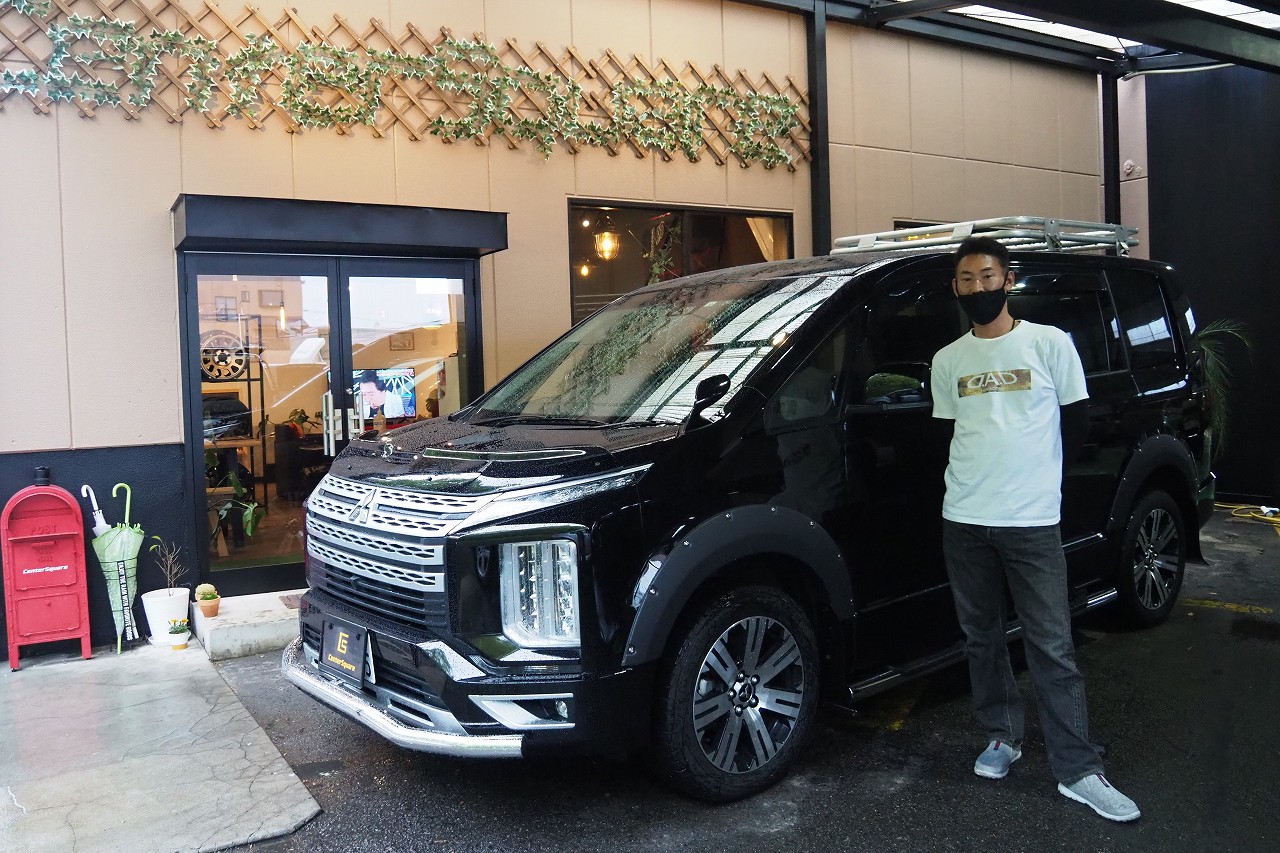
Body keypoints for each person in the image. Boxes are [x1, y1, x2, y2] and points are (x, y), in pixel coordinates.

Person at [930, 236, 1140, 822]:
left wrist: (1039, 484)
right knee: (981, 638)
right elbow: (950, 436)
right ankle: (1002, 736)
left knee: (1051, 644)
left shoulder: (1049, 343)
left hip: (1031, 521)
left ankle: (1078, 770)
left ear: (1008, 280)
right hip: (964, 519)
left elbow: (1076, 426)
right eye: (966, 279)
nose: (977, 287)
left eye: (987, 276)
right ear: (955, 288)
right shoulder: (948, 360)